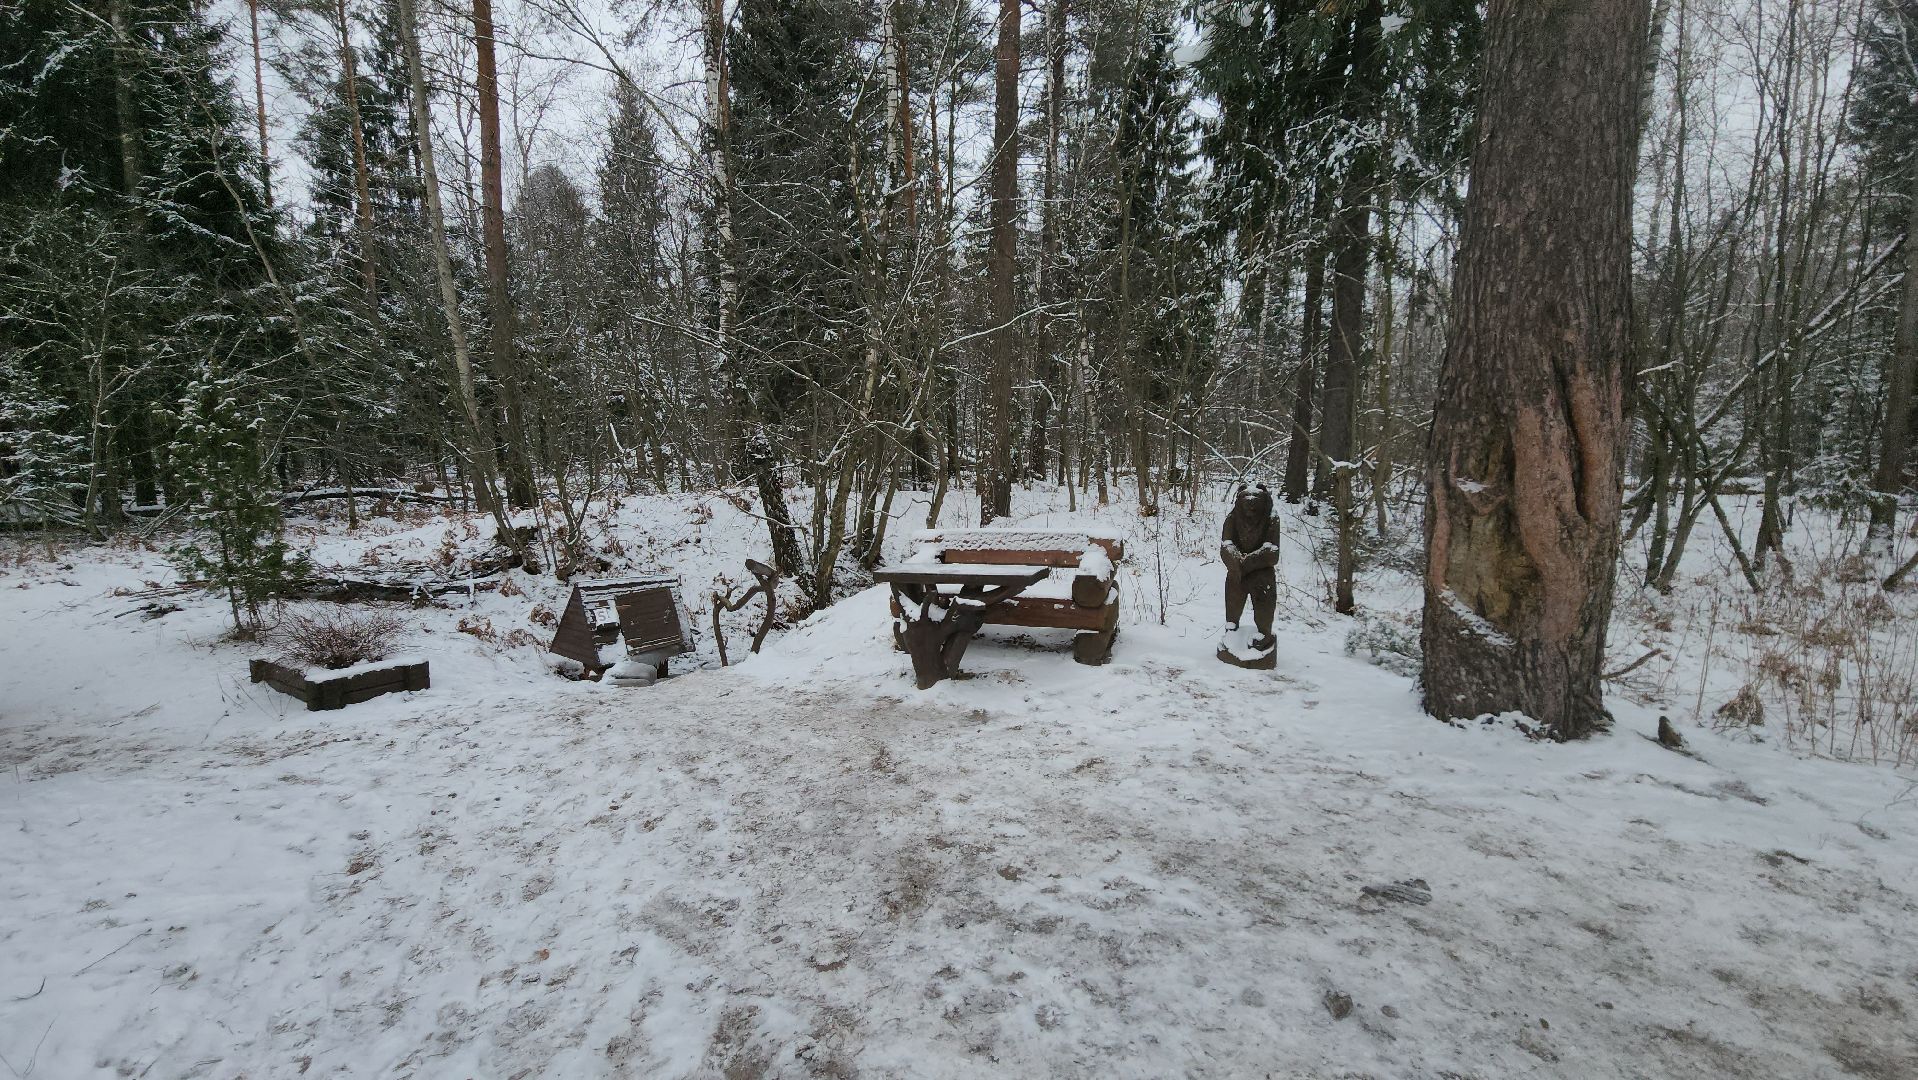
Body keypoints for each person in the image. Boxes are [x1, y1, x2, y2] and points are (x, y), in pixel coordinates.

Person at [1221, 482, 1280, 653]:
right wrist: (1235, 560)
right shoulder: (1232, 519)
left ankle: (1264, 633)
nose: (1251, 502)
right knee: (1233, 599)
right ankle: (1231, 627)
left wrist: (1248, 561)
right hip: (1237, 571)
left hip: (1262, 572)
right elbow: (1226, 545)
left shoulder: (1271, 518)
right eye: (1247, 498)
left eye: (1256, 499)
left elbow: (1272, 551)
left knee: (1264, 605)